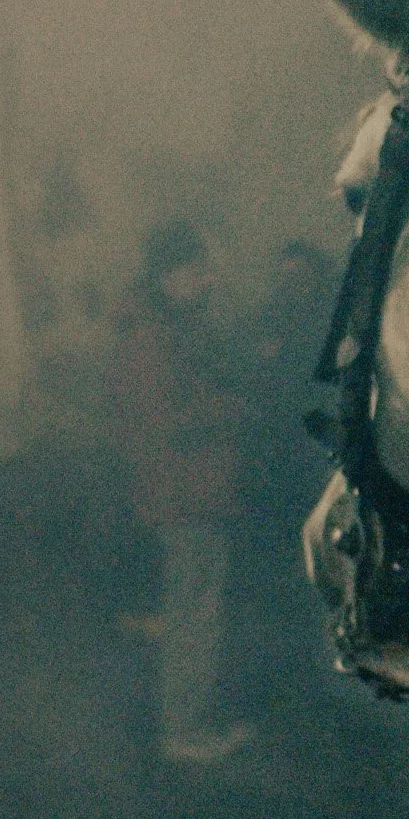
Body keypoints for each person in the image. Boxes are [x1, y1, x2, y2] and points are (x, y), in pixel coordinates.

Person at [108, 218, 255, 767]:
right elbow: (159, 420)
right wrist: (231, 410)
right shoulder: (149, 334)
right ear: (172, 272)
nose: (207, 282)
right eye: (198, 272)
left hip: (196, 493)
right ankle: (185, 732)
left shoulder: (167, 325)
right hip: (183, 497)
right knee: (192, 621)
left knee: (198, 616)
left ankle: (193, 723)